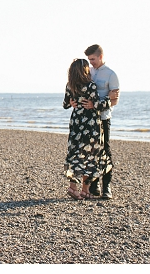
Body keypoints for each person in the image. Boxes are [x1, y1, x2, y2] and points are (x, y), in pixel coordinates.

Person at [63, 58, 111, 200]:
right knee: (90, 155)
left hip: (76, 123)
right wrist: (109, 100)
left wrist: (72, 102)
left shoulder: (69, 85)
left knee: (75, 154)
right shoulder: (90, 86)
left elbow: (65, 104)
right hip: (90, 124)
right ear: (84, 70)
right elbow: (97, 104)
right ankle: (84, 190)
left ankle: (73, 188)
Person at [81, 44, 119, 199]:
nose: (91, 62)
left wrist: (95, 105)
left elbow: (114, 100)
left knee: (105, 150)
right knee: (91, 151)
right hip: (89, 119)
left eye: (93, 59)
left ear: (101, 57)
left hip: (103, 118)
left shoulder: (111, 74)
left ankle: (106, 187)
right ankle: (94, 185)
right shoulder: (88, 72)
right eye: (89, 60)